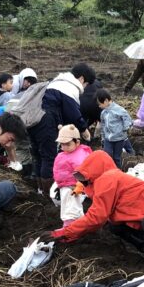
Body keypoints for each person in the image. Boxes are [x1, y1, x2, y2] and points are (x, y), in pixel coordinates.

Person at [42, 150, 144, 254]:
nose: (83, 180)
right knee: (115, 226)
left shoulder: (107, 179)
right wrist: (69, 235)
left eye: (84, 176)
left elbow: (96, 218)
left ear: (94, 169)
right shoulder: (107, 179)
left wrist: (64, 232)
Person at [29, 64, 93, 197]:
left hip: (33, 120)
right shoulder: (68, 87)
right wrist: (84, 130)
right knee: (49, 156)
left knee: (38, 155)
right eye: (86, 84)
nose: (85, 87)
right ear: (82, 79)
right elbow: (73, 114)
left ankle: (40, 189)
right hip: (46, 122)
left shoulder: (56, 83)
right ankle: (48, 193)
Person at [52, 124, 92, 224]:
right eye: (62, 144)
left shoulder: (79, 156)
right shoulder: (64, 154)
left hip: (73, 187)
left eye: (68, 144)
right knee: (71, 207)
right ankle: (81, 225)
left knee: (71, 210)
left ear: (77, 142)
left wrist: (80, 185)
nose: (64, 147)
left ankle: (69, 226)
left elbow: (83, 173)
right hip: (64, 184)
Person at [98, 88, 135, 169]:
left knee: (116, 157)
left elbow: (127, 119)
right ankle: (108, 170)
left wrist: (125, 129)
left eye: (100, 104)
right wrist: (103, 137)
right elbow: (103, 125)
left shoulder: (119, 110)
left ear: (106, 101)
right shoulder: (103, 113)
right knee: (107, 155)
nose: (99, 106)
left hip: (119, 138)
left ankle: (118, 171)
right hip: (108, 138)